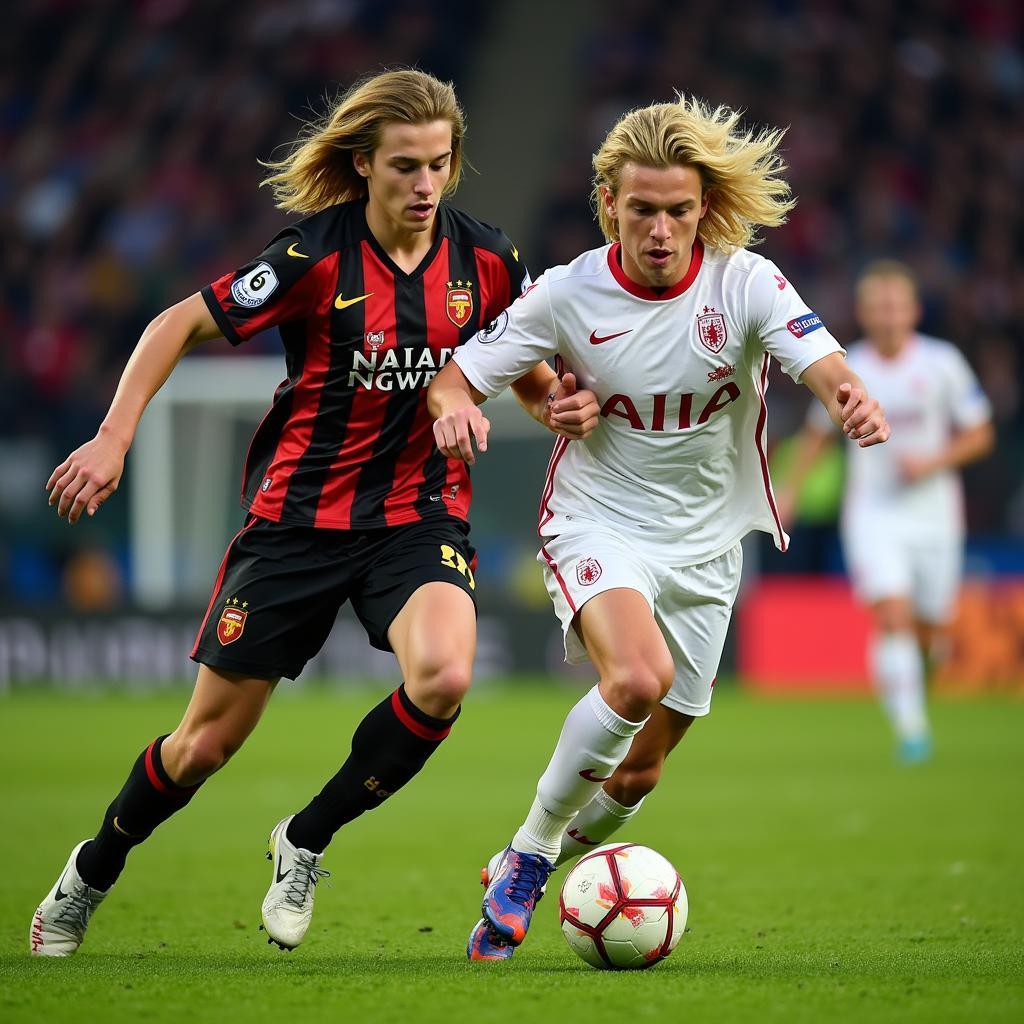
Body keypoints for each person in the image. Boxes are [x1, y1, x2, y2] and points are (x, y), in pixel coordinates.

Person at [31, 68, 599, 957]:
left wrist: (550, 405)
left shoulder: (488, 261)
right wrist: (112, 438)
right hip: (296, 524)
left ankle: (305, 839)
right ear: (364, 165)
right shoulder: (310, 259)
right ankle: (91, 870)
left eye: (439, 165)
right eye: (404, 166)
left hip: (415, 519)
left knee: (445, 676)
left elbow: (520, 368)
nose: (423, 185)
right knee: (201, 748)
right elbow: (175, 324)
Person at [428, 95, 891, 960]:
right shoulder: (568, 292)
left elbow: (822, 364)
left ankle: (529, 850)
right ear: (610, 204)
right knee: (636, 678)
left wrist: (850, 397)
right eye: (643, 209)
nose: (662, 229)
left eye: (680, 210)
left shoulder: (745, 281)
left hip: (709, 547)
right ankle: (530, 859)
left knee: (638, 771)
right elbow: (457, 377)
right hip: (599, 519)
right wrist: (458, 411)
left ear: (704, 211)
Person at [778, 261, 993, 762]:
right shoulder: (852, 368)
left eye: (896, 305)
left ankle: (914, 684)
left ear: (914, 310)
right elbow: (816, 435)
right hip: (873, 514)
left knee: (929, 633)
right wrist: (788, 492)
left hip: (936, 515)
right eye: (878, 306)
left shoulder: (942, 363)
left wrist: (935, 461)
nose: (888, 315)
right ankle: (912, 731)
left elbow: (981, 433)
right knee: (890, 615)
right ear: (864, 313)